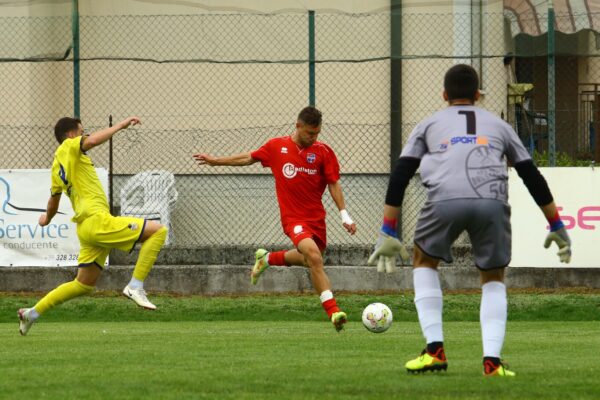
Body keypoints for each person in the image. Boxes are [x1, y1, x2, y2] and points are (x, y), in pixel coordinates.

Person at [368, 64, 571, 376]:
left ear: (444, 94)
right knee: (493, 276)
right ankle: (492, 362)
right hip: (491, 201)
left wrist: (387, 229)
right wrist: (556, 223)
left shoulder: (428, 123)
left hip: (444, 201)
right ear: (478, 95)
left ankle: (434, 351)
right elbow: (531, 175)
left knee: (423, 261)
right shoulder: (499, 125)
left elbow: (401, 175)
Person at [193, 106, 357, 331]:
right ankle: (334, 311)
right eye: (310, 133)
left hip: (316, 219)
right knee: (314, 257)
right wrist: (216, 161)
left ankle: (267, 259)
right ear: (298, 126)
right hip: (293, 219)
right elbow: (248, 158)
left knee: (310, 258)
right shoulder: (276, 146)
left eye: (317, 133)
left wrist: (344, 215)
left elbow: (333, 183)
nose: (314, 138)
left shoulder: (324, 152)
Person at [18, 116, 168, 336]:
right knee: (158, 231)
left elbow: (54, 201)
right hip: (97, 221)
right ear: (71, 135)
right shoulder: (70, 145)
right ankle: (135, 286)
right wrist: (119, 126)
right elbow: (91, 142)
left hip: (86, 228)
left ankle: (31, 313)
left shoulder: (57, 164)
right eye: (81, 131)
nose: (84, 135)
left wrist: (46, 219)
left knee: (83, 284)